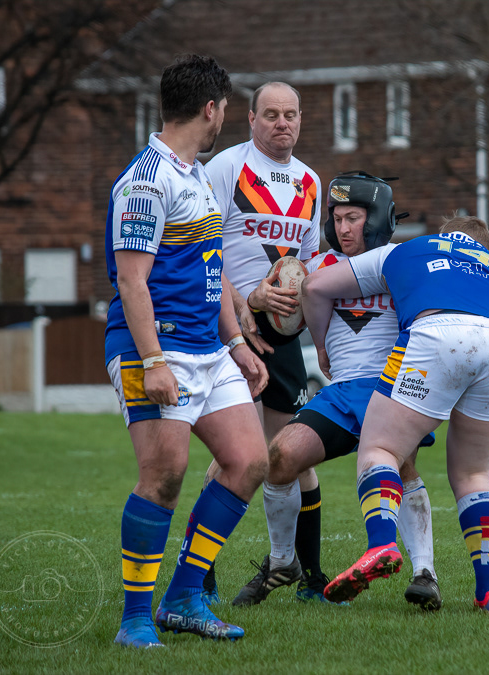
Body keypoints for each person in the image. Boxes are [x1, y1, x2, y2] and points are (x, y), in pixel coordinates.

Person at [104, 54, 270, 649]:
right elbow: (131, 282)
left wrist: (236, 342)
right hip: (155, 348)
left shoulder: (195, 173)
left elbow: (213, 267)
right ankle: (135, 620)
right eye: (225, 106)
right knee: (166, 474)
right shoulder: (146, 181)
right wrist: (152, 362)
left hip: (208, 346)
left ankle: (183, 597)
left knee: (250, 461)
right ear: (211, 108)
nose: (224, 114)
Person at [301, 215, 489, 613]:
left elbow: (315, 285)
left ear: (444, 237)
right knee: (474, 474)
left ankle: (381, 545)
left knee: (380, 450)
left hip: (438, 331)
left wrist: (320, 347)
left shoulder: (410, 249)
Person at [242, 173, 442, 610]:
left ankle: (425, 573)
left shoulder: (400, 261)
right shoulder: (314, 268)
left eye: (354, 217)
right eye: (337, 218)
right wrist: (257, 297)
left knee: (404, 464)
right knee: (281, 456)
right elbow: (268, 307)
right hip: (340, 393)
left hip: (393, 388)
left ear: (378, 219)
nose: (344, 227)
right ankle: (283, 561)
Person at [201, 81, 326, 603]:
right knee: (232, 455)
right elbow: (200, 249)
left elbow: (311, 264)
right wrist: (243, 301)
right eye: (271, 114)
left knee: (292, 457)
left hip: (283, 338)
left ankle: (308, 577)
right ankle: (200, 576)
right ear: (250, 119)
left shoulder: (311, 182)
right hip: (229, 331)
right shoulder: (226, 168)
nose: (282, 123)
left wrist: (313, 327)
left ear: (301, 119)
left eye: (291, 114)